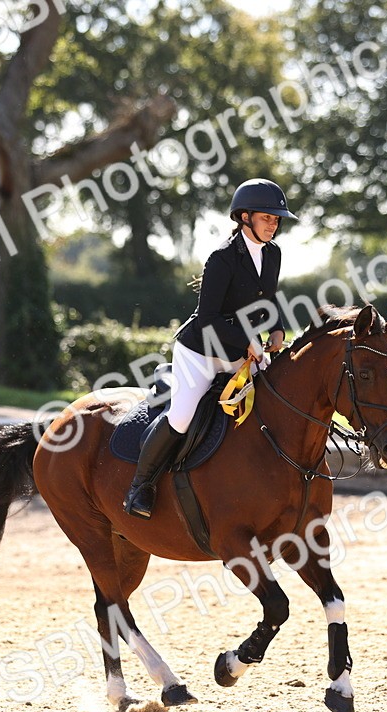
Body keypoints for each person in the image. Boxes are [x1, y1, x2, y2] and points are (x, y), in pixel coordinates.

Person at [124, 178, 299, 519]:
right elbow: (208, 318)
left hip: (239, 353)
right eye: (267, 217)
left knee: (270, 403)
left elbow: (268, 300)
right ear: (244, 217)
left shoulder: (273, 254)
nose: (274, 224)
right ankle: (139, 487)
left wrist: (277, 327)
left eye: (277, 219)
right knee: (182, 416)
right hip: (200, 352)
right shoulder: (222, 258)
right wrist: (248, 339)